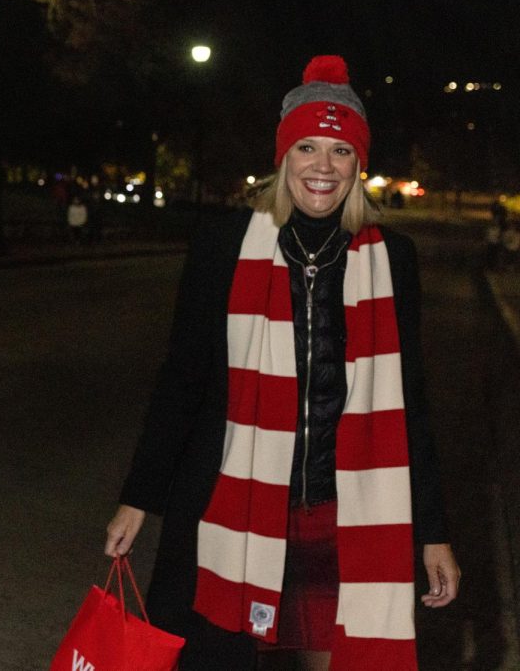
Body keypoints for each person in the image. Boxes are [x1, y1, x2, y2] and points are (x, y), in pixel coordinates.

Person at [104, 56, 459, 670]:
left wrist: (432, 530)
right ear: (282, 156)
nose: (323, 166)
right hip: (229, 508)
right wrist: (140, 496)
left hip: (342, 516)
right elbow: (182, 379)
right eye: (307, 147)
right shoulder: (223, 246)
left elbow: (411, 404)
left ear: (359, 164)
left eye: (341, 150)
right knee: (223, 658)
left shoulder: (392, 260)